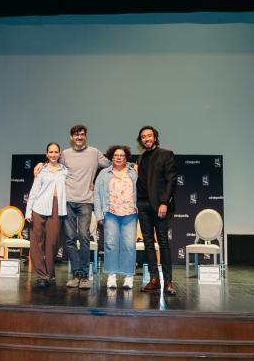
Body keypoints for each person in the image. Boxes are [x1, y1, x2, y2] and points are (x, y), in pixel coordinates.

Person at [34, 125, 110, 289]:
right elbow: (52, 163)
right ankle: (76, 275)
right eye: (76, 135)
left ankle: (84, 276)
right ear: (71, 137)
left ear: (86, 136)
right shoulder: (65, 154)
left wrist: (132, 165)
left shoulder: (94, 152)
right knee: (69, 240)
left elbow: (112, 164)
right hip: (67, 202)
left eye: (82, 134)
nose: (79, 137)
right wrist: (40, 163)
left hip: (85, 201)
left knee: (83, 237)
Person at [136, 126, 178, 295]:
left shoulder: (166, 154)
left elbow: (171, 180)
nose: (146, 139)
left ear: (155, 137)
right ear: (141, 140)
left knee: (163, 242)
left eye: (149, 136)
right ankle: (154, 279)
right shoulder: (141, 157)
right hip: (143, 205)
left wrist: (164, 202)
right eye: (143, 137)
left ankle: (168, 282)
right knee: (148, 243)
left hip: (159, 205)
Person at [94, 145, 138, 289]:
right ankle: (111, 275)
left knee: (129, 245)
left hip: (130, 214)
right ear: (111, 158)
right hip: (110, 213)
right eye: (116, 155)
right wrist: (99, 214)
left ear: (126, 158)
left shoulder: (133, 173)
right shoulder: (103, 174)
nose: (119, 157)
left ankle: (128, 276)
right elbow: (97, 195)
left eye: (122, 155)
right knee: (110, 245)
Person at [25, 143, 68, 288]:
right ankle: (41, 275)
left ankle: (50, 274)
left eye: (56, 152)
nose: (53, 154)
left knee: (53, 242)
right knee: (37, 244)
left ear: (59, 153)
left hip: (57, 208)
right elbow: (34, 191)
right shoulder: (41, 170)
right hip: (39, 207)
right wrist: (28, 210)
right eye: (51, 152)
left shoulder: (65, 170)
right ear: (46, 154)